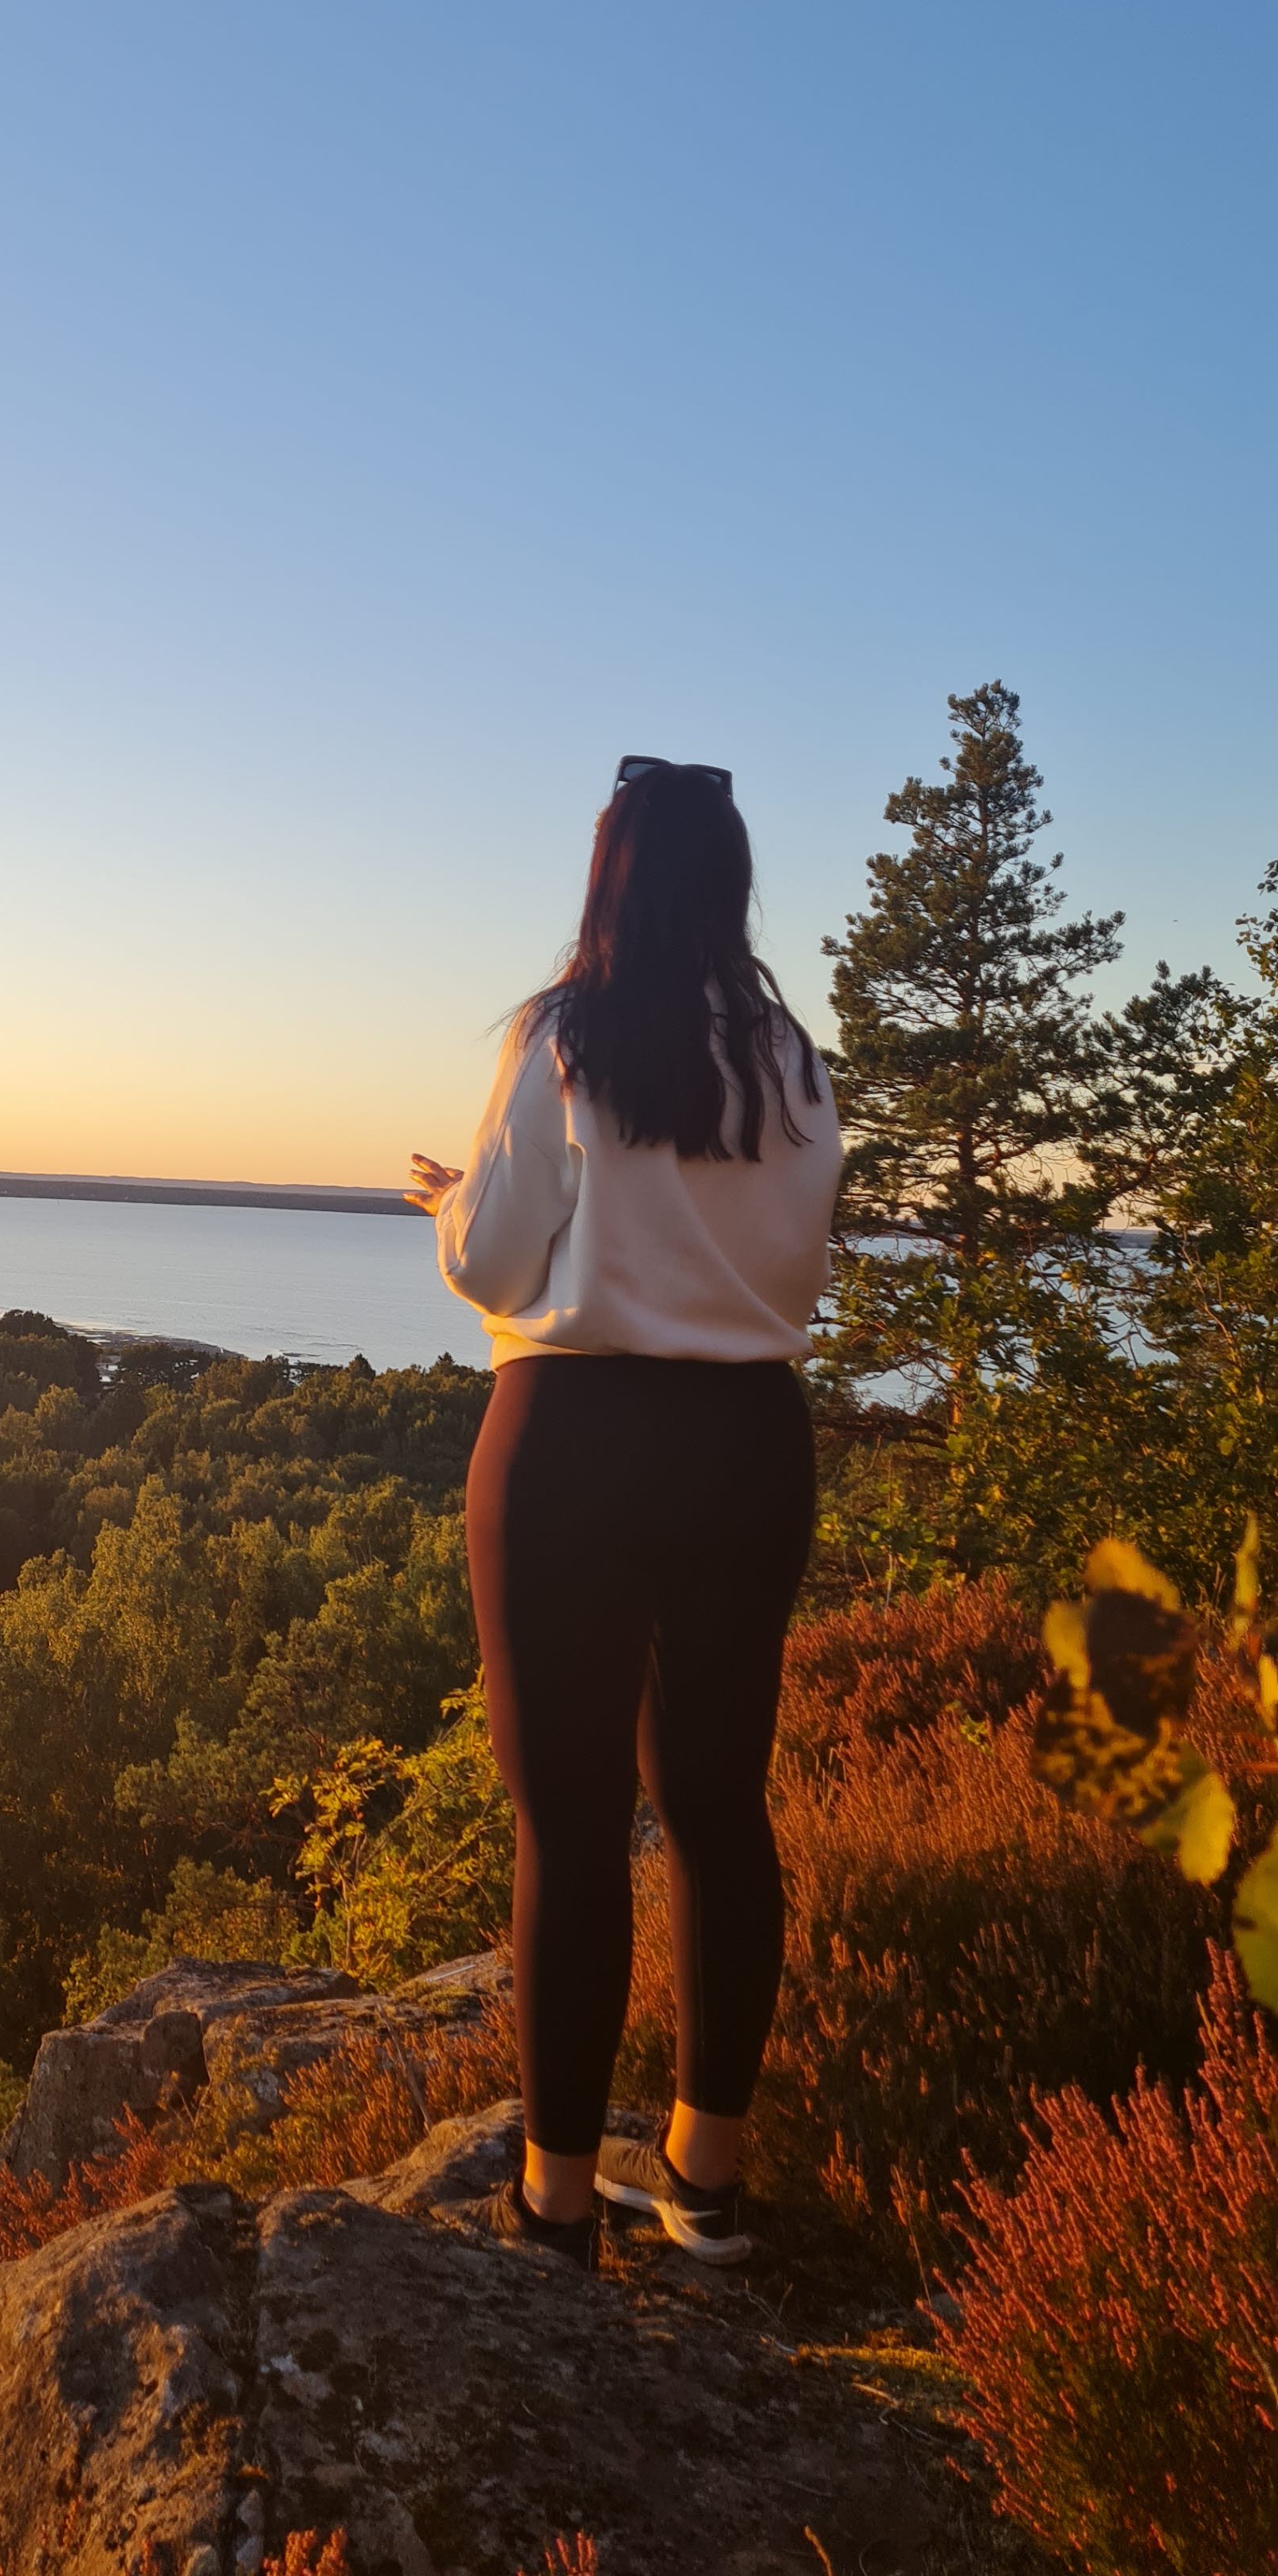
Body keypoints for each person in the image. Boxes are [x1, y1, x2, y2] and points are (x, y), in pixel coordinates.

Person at [406, 755, 841, 2268]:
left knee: (573, 1825)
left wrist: (451, 1201)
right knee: (722, 1808)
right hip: (746, 1447)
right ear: (729, 883)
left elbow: (497, 1261)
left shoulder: (565, 1038)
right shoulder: (789, 1058)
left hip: (576, 1443)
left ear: (610, 876)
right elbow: (794, 1272)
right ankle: (707, 2182)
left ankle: (559, 2198)